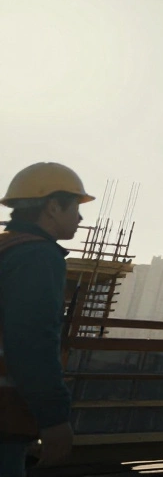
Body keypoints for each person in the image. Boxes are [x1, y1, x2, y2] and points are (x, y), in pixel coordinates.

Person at [0, 162, 93, 475]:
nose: (80, 218)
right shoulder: (37, 256)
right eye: (75, 208)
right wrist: (54, 418)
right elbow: (33, 341)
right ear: (53, 207)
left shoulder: (7, 248)